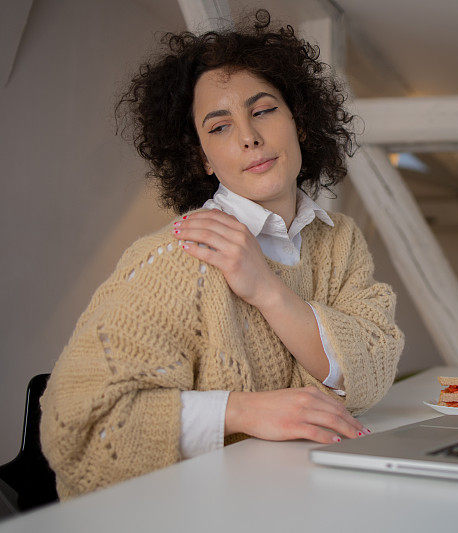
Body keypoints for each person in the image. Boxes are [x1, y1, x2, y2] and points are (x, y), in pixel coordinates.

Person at [39, 10, 404, 500]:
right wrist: (243, 410)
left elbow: (372, 370)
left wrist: (267, 289)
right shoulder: (174, 259)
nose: (249, 136)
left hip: (301, 501)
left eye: (263, 109)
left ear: (299, 118)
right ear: (201, 160)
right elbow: (78, 428)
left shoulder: (339, 240)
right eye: (219, 126)